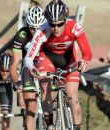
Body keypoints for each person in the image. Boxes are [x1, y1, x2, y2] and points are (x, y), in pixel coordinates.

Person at [24, 0, 92, 130]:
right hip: (48, 58)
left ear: (66, 19)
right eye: (52, 24)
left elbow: (87, 53)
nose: (55, 28)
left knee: (72, 95)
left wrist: (84, 62)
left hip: (68, 59)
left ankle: (77, 127)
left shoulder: (74, 27)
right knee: (45, 89)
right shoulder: (42, 30)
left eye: (60, 24)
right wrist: (31, 67)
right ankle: (50, 124)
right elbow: (29, 57)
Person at [10, 3, 45, 130]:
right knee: (31, 106)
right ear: (27, 25)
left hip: (44, 67)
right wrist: (17, 82)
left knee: (49, 102)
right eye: (32, 28)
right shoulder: (22, 35)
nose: (35, 31)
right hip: (28, 69)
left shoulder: (48, 32)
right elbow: (14, 64)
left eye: (38, 28)